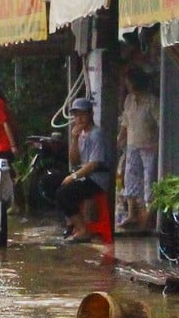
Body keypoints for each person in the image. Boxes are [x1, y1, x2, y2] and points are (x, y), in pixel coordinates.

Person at [55, 97, 112, 242]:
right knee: (52, 181)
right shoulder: (81, 134)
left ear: (90, 114)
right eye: (76, 115)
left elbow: (94, 164)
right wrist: (74, 139)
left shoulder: (96, 134)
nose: (78, 118)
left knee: (64, 193)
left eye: (82, 114)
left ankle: (83, 229)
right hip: (84, 174)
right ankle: (70, 222)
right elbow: (74, 161)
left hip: (97, 178)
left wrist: (73, 177)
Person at [118, 69, 159, 230]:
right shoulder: (129, 100)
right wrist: (119, 138)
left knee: (149, 179)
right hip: (132, 145)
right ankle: (131, 214)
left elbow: (160, 123)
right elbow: (125, 123)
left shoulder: (152, 102)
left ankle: (149, 215)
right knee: (130, 177)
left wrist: (158, 144)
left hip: (149, 146)